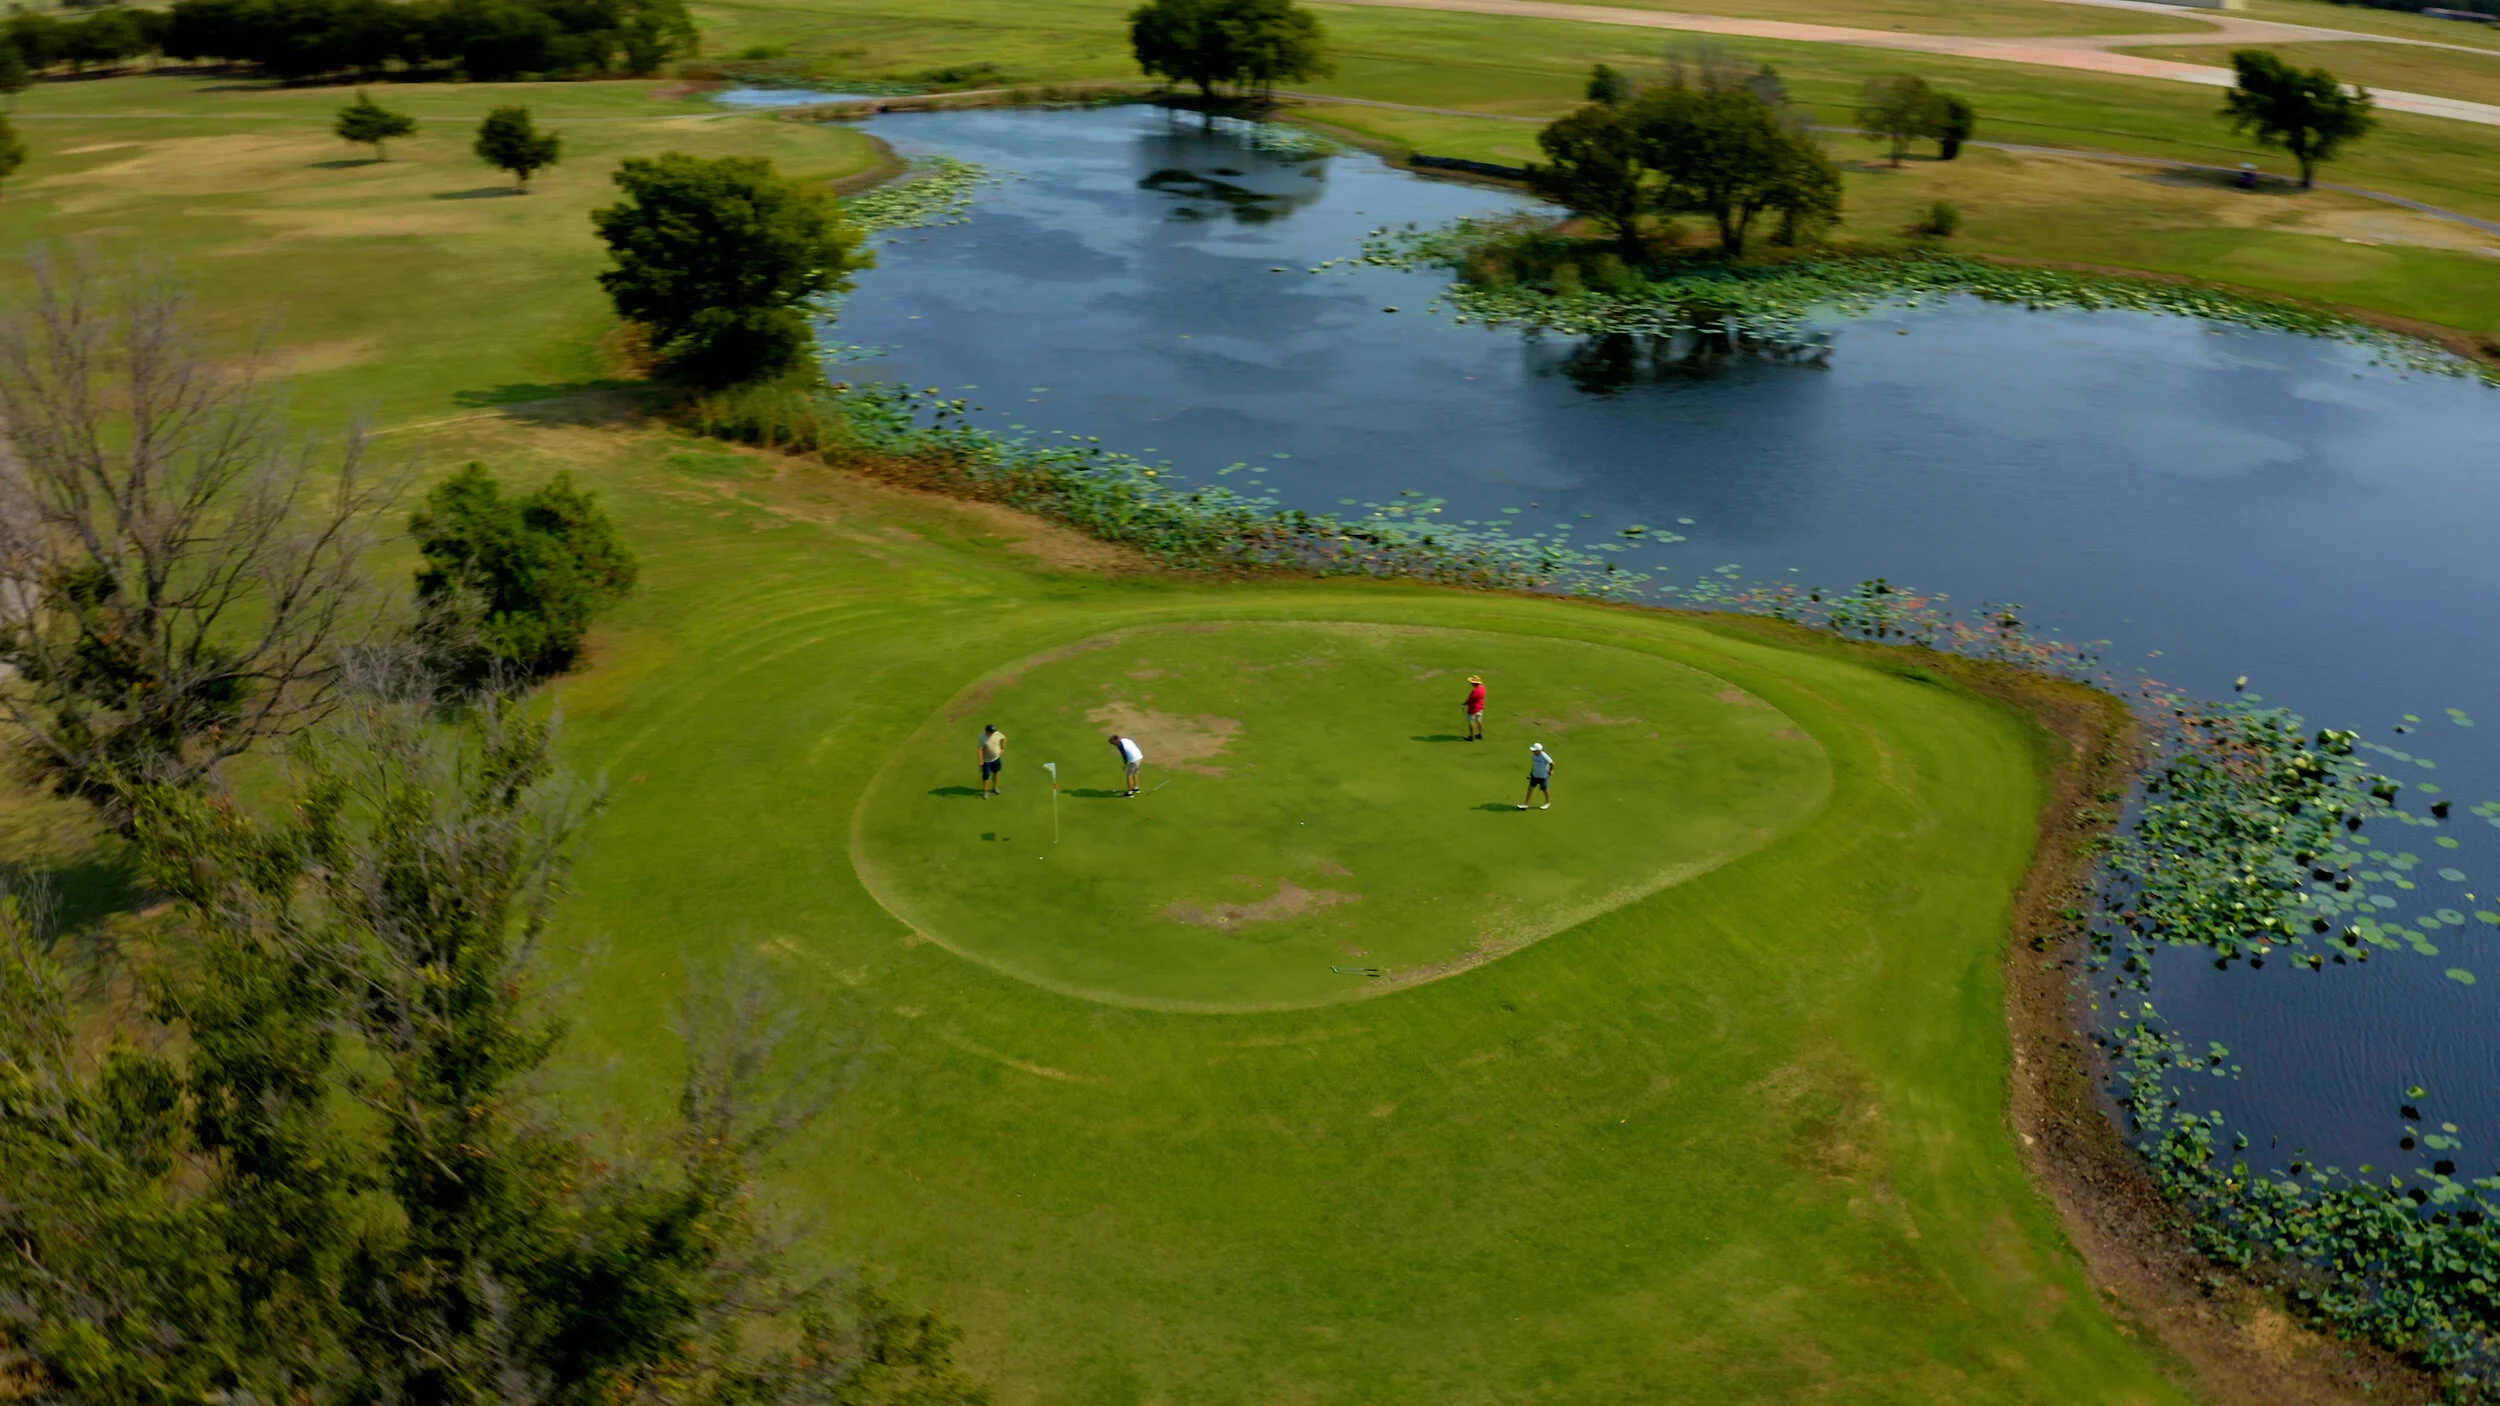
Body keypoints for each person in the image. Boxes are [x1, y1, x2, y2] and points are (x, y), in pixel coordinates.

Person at [1519, 741, 1554, 810]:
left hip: (1543, 776)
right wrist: (1532, 771)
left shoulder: (1544, 756)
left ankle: (1547, 803)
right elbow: (1534, 764)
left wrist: (1550, 771)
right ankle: (1525, 804)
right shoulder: (1534, 755)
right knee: (1530, 788)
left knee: (1544, 789)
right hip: (1535, 775)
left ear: (1539, 750)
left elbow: (1552, 764)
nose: (1533, 752)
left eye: (1534, 750)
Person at [977, 723, 1007, 798]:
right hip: (987, 761)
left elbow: (1004, 738)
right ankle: (986, 791)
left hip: (996, 758)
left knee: (996, 772)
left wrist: (1002, 748)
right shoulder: (982, 737)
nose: (993, 733)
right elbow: (980, 750)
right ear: (987, 731)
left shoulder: (996, 733)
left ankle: (995, 787)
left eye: (993, 731)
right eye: (991, 731)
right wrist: (981, 761)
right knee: (986, 776)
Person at [1464, 675, 1487, 741]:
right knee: (1479, 720)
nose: (1471, 683)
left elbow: (1470, 700)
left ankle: (1471, 737)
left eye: (1472, 682)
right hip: (1480, 707)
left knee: (1471, 722)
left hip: (1473, 709)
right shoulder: (1483, 687)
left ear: (1475, 683)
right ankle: (1480, 734)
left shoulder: (1475, 691)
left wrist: (1464, 704)